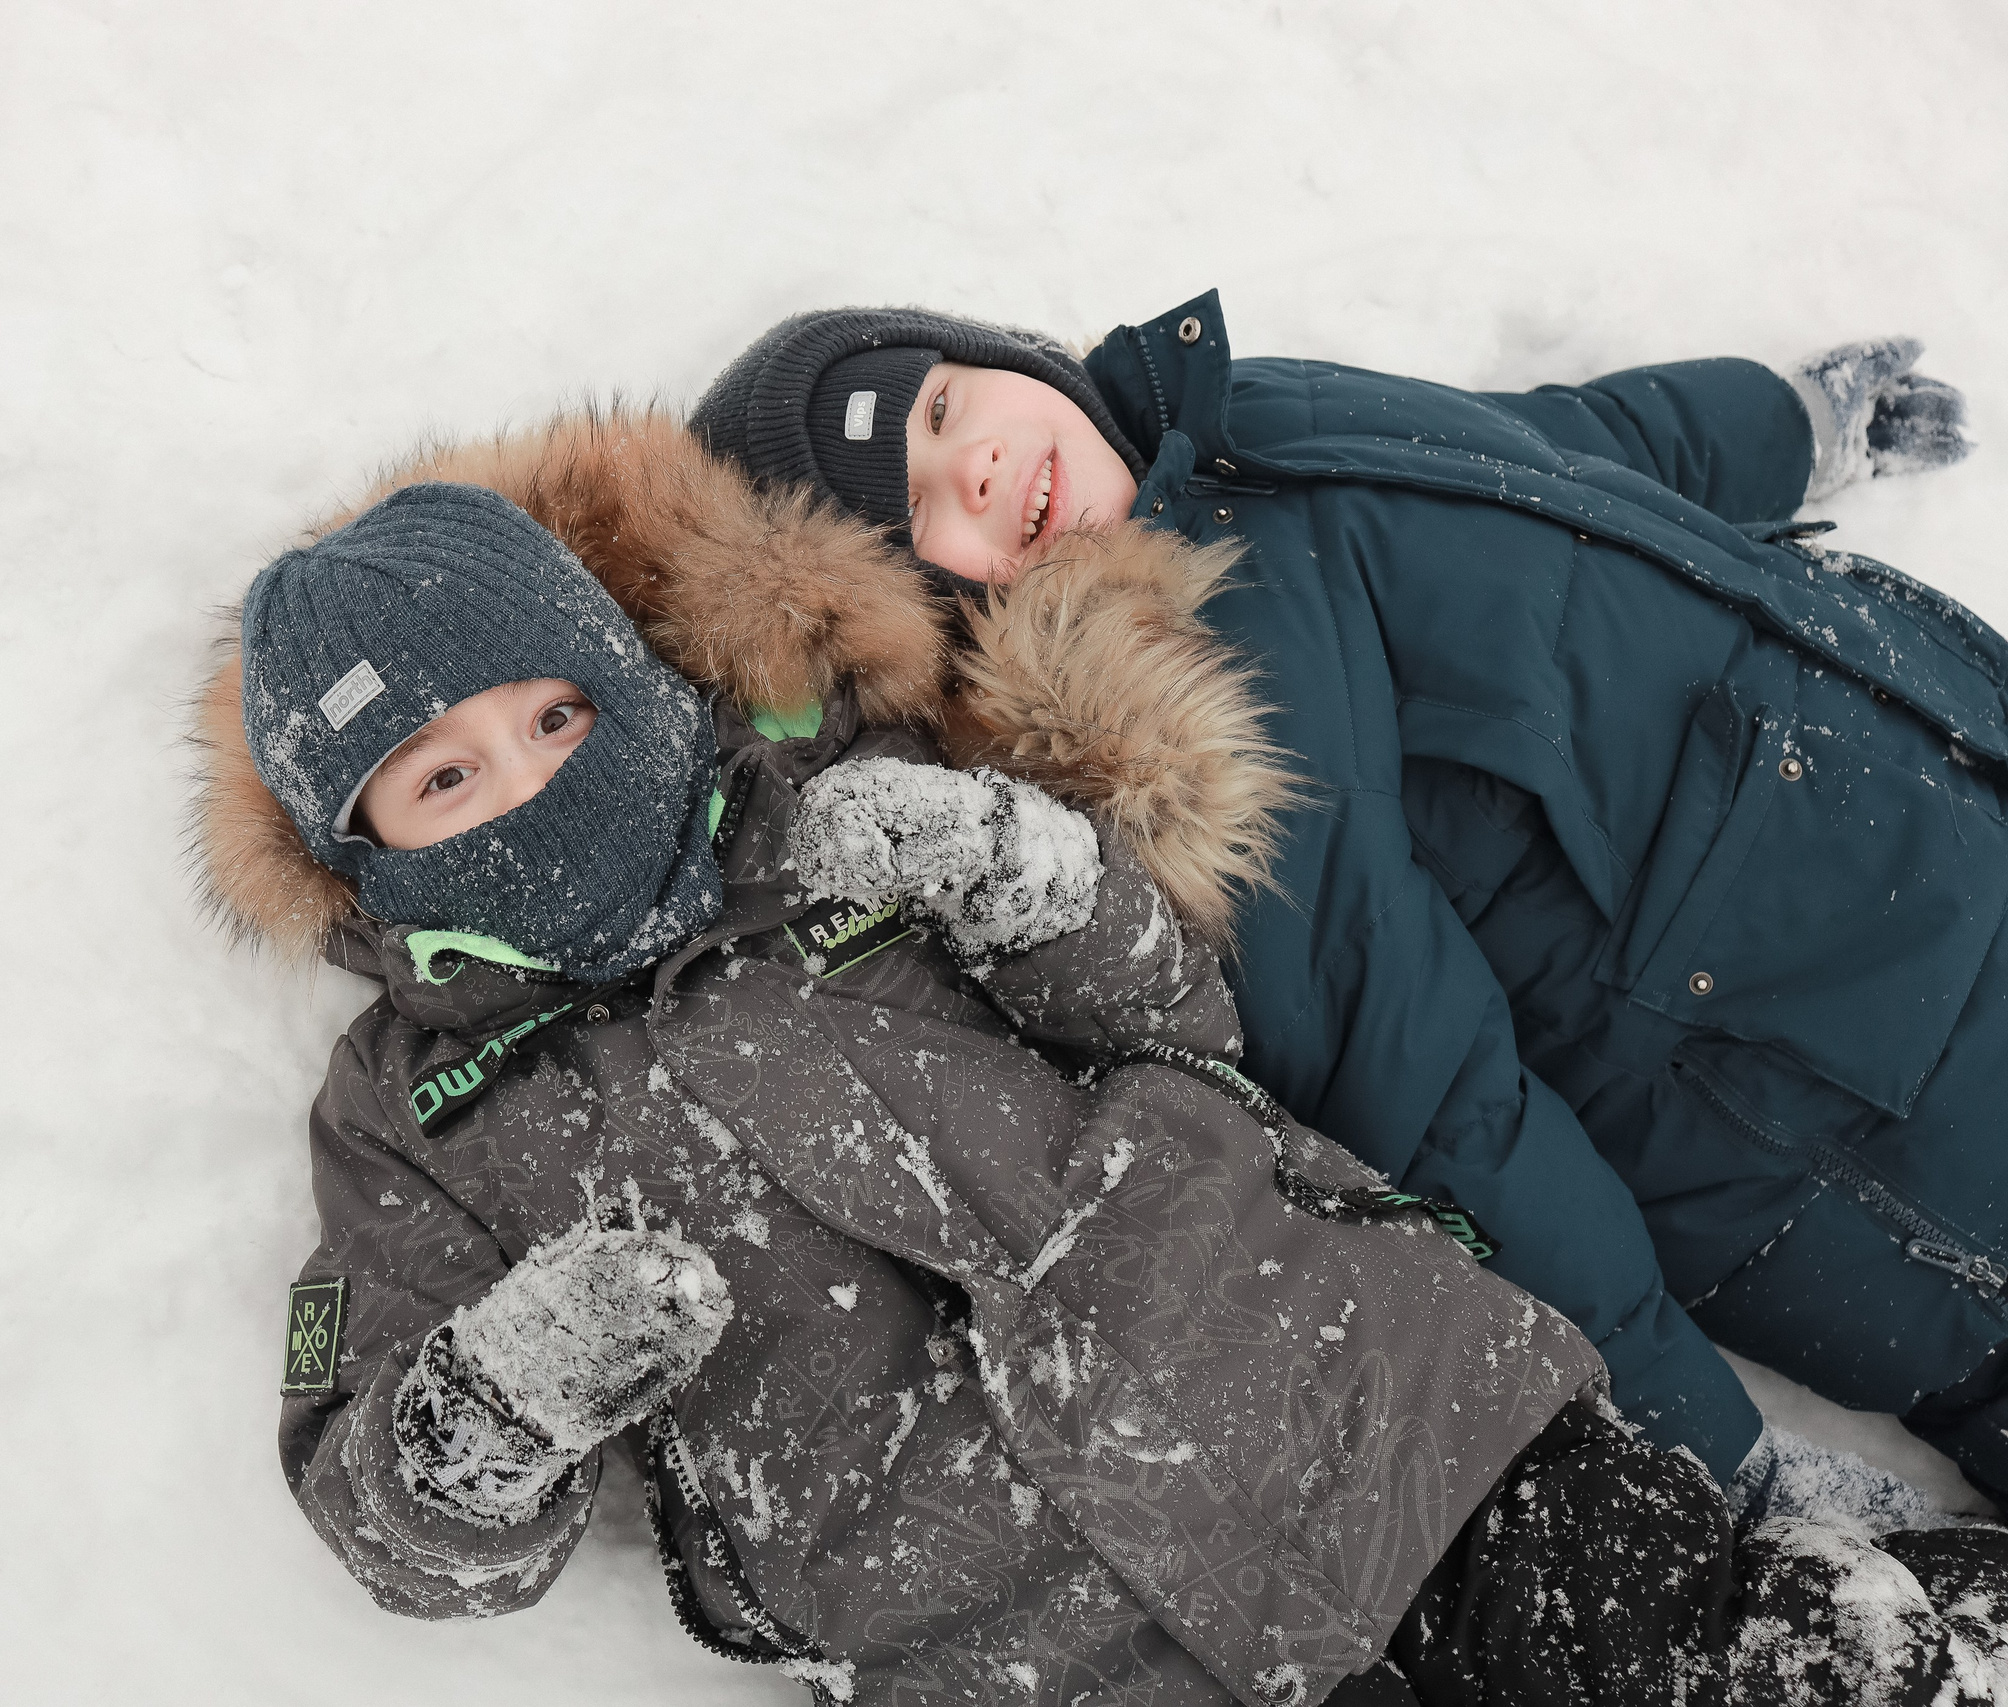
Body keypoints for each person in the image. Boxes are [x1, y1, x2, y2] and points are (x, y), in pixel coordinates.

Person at [195, 435, 2008, 1706]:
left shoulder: (834, 810)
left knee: (1791, 1668)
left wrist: (1031, 881)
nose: (526, 786)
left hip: (1385, 1420)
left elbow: (1184, 1028)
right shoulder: (412, 1110)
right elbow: (392, 1516)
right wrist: (486, 1414)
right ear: (360, 862)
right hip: (1036, 1656)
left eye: (551, 718)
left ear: (633, 687)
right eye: (441, 782)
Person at [686, 301, 2007, 1509]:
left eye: (939, 411)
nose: (971, 464)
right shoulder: (1174, 730)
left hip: (1925, 782)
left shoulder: (1246, 423)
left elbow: (1556, 453)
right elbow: (1435, 1101)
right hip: (1867, 1101)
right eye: (915, 509)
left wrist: (1784, 421)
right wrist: (1708, 1452)